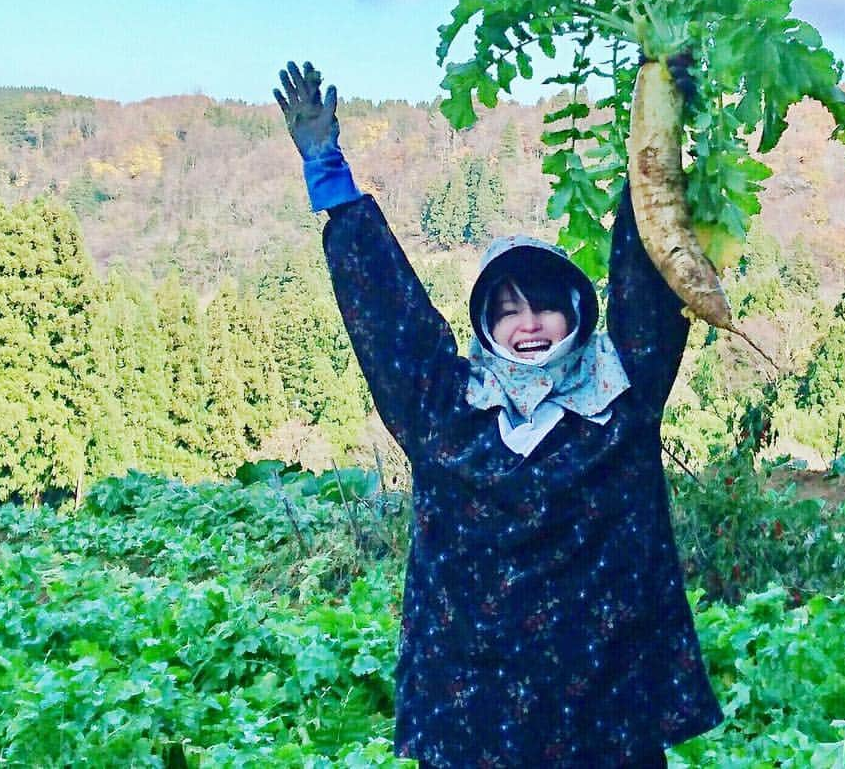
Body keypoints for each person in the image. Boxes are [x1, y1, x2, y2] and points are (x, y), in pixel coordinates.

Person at [273, 61, 724, 768]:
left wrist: (662, 116)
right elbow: (391, 319)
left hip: (606, 722)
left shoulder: (622, 396)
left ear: (577, 308)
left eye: (544, 303)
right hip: (474, 720)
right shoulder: (447, 413)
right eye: (507, 310)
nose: (530, 324)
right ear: (486, 324)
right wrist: (328, 173)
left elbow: (646, 262)